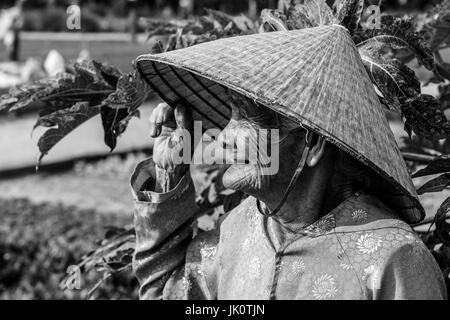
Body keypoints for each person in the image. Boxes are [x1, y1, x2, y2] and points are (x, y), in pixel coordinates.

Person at [131, 24, 447, 299]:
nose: (223, 135)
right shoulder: (240, 228)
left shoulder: (394, 259)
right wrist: (167, 173)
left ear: (312, 144)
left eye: (245, 119)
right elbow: (170, 292)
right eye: (230, 116)